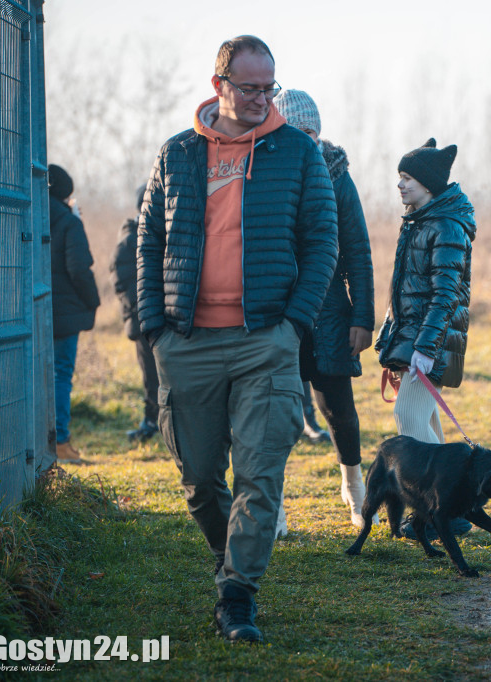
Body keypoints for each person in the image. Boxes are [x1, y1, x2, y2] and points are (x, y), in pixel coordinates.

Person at [137, 35, 339, 643]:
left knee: (259, 475)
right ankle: (229, 557)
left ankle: (237, 595)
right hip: (187, 339)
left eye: (268, 88)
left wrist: (293, 325)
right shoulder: (176, 155)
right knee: (200, 479)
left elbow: (322, 244)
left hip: (265, 341)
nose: (259, 99)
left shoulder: (298, 154)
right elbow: (147, 245)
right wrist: (155, 329)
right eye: (248, 88)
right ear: (219, 84)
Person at [273, 88, 376, 528]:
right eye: (297, 130)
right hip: (276, 311)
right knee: (273, 413)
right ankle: (271, 503)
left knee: (338, 409)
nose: (306, 138)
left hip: (331, 313)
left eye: (312, 130)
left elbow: (358, 249)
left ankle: (353, 486)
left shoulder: (337, 176)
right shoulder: (265, 172)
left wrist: (363, 316)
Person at [375, 138, 476, 539]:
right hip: (414, 338)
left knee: (409, 416)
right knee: (427, 424)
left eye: (408, 178)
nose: (400, 185)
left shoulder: (446, 226)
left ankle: (439, 510)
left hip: (428, 343)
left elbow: (446, 294)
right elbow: (404, 293)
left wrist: (423, 347)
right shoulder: (420, 221)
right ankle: (449, 511)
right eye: (399, 176)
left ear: (430, 184)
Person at [48, 163, 100, 465]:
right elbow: (79, 269)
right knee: (61, 374)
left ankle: (39, 441)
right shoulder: (69, 222)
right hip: (65, 314)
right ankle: (61, 442)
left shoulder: (28, 214)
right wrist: (93, 301)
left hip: (30, 312)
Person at [109, 183, 159, 442]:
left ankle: (160, 422)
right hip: (144, 321)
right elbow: (122, 280)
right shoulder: (132, 238)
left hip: (159, 319)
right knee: (151, 376)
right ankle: (151, 423)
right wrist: (141, 309)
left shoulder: (154, 232)